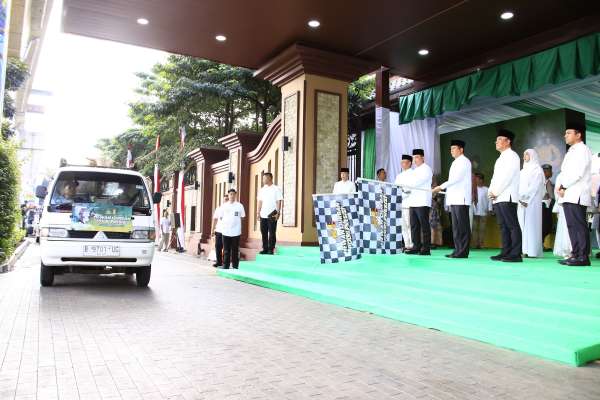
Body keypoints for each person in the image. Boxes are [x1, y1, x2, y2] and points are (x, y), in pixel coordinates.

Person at [557, 122, 592, 267]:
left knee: (579, 225)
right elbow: (565, 172)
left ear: (578, 135)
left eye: (569, 133)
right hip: (568, 193)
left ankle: (583, 256)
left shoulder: (582, 150)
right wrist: (560, 186)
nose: (565, 135)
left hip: (577, 193)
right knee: (571, 225)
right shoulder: (571, 151)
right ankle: (575, 254)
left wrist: (563, 185)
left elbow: (578, 173)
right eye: (565, 133)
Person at [433, 139, 472, 258]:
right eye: (451, 149)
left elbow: (456, 179)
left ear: (461, 149)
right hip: (454, 199)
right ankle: (457, 249)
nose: (451, 151)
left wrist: (440, 187)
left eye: (454, 148)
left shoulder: (464, 161)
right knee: (456, 227)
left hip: (461, 199)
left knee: (462, 226)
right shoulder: (455, 162)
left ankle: (463, 251)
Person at [489, 129, 522, 262]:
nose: (496, 142)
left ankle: (516, 253)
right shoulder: (500, 158)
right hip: (498, 196)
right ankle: (505, 251)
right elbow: (495, 177)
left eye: (499, 139)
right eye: (496, 140)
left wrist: (496, 191)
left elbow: (508, 177)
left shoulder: (512, 156)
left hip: (507, 196)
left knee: (512, 225)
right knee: (503, 226)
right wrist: (491, 191)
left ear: (508, 141)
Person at [404, 149, 433, 255]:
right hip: (413, 201)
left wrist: (406, 185)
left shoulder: (427, 169)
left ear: (422, 158)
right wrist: (406, 185)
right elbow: (409, 184)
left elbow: (417, 182)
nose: (415, 160)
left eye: (417, 157)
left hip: (422, 201)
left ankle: (426, 248)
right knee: (414, 225)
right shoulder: (414, 170)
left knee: (424, 226)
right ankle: (416, 246)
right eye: (413, 158)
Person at [517, 149, 545, 258]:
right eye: (524, 154)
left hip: (532, 201)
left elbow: (535, 186)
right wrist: (520, 198)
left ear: (532, 156)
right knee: (522, 225)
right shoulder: (523, 170)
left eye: (527, 154)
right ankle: (524, 250)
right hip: (521, 201)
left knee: (532, 225)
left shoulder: (537, 169)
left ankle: (532, 251)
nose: (524, 156)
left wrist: (526, 199)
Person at [214, 189, 245, 269]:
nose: (232, 196)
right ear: (228, 195)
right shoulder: (224, 206)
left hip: (236, 231)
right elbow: (220, 217)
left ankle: (235, 265)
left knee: (235, 249)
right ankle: (226, 265)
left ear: (235, 195)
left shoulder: (240, 206)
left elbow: (242, 217)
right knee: (226, 250)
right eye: (230, 194)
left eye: (233, 194)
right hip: (226, 231)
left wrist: (236, 224)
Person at [257, 172, 283, 255]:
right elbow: (260, 201)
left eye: (264, 178)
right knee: (263, 232)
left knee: (272, 232)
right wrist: (258, 212)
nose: (263, 180)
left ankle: (271, 249)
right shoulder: (262, 190)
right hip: (263, 214)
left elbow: (279, 201)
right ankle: (265, 248)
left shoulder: (276, 189)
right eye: (263, 178)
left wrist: (278, 212)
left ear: (270, 178)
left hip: (272, 213)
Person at [394, 155, 413, 251]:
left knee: (410, 225)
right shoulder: (399, 176)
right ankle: (406, 244)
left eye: (404, 162)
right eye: (401, 162)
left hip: (409, 203)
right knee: (403, 226)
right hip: (400, 204)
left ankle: (412, 245)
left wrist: (402, 194)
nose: (402, 164)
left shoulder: (413, 174)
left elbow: (410, 190)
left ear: (410, 163)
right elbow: (396, 188)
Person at [552, 173, 571, 259]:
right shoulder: (560, 176)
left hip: (571, 203)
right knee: (564, 227)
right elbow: (557, 191)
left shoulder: (563, 175)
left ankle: (572, 250)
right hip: (563, 204)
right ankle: (566, 250)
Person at [472, 173, 492, 248]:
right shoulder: (473, 189)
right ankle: (475, 244)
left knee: (482, 229)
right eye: (475, 179)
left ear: (481, 180)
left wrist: (490, 209)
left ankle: (481, 244)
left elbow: (490, 200)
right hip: (474, 211)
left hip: (484, 211)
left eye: (477, 179)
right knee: (474, 229)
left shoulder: (487, 189)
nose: (476, 181)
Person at [211, 194, 229, 267]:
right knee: (218, 247)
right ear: (222, 200)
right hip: (219, 230)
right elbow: (215, 219)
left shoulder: (231, 209)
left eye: (227, 199)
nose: (226, 201)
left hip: (227, 231)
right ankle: (219, 262)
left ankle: (225, 263)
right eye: (225, 199)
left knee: (226, 247)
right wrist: (212, 230)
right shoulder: (218, 208)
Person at [541, 164, 555, 251]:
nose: (551, 173)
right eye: (549, 171)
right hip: (543, 206)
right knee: (544, 226)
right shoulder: (541, 182)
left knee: (547, 226)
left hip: (548, 206)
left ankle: (541, 244)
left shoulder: (549, 182)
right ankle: (540, 244)